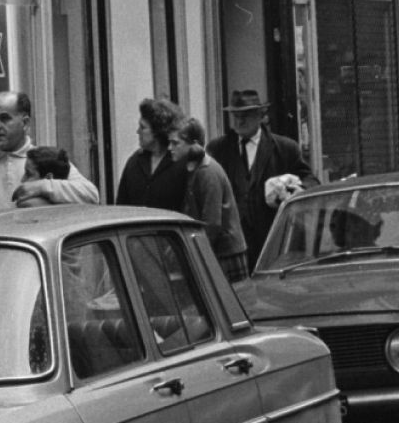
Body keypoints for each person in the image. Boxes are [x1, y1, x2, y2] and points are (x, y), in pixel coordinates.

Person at [210, 90, 315, 266]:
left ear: (260, 115)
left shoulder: (285, 148)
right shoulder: (218, 149)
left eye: (246, 115)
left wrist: (295, 189)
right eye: (236, 116)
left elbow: (310, 181)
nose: (239, 121)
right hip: (233, 245)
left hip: (272, 239)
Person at [0, 91, 101, 210]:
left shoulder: (41, 159)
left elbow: (91, 195)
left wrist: (40, 187)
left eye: (4, 118)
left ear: (25, 123)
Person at [170, 118, 250, 281]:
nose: (170, 148)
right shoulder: (193, 168)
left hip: (226, 253)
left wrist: (197, 255)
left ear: (194, 144)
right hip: (217, 250)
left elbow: (212, 223)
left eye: (175, 143)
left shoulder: (207, 172)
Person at [115, 97, 190, 211]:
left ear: (157, 131)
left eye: (143, 127)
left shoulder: (181, 163)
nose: (138, 131)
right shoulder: (134, 162)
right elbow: (121, 206)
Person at [15, 146, 98, 207]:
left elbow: (91, 194)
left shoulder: (29, 204)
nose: (22, 180)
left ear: (48, 178)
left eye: (29, 174)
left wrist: (40, 186)